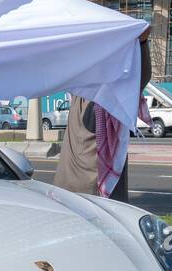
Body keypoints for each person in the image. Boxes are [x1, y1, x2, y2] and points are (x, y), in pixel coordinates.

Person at [53, 27, 151, 202]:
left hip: (69, 186)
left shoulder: (81, 87)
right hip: (91, 191)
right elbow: (138, 80)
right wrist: (141, 44)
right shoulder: (103, 99)